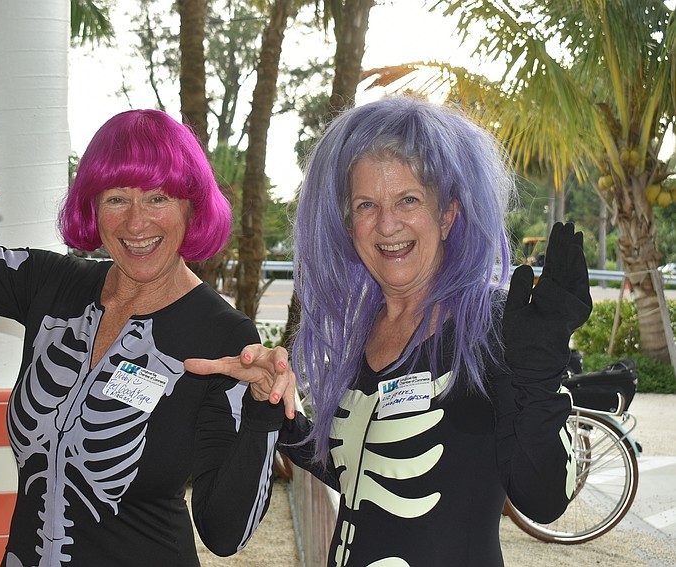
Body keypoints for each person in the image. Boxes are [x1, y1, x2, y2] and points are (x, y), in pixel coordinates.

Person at [0, 110, 291, 566]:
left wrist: (263, 412)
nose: (135, 223)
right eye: (116, 199)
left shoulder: (222, 334)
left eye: (158, 198)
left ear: (192, 206)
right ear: (93, 206)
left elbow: (225, 533)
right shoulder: (49, 284)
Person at [185, 95, 592, 566]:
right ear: (348, 223)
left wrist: (540, 374)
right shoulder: (365, 326)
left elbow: (544, 498)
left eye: (408, 200)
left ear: (448, 215)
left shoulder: (493, 325)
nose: (386, 224)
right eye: (366, 205)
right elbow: (357, 475)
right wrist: (279, 407)